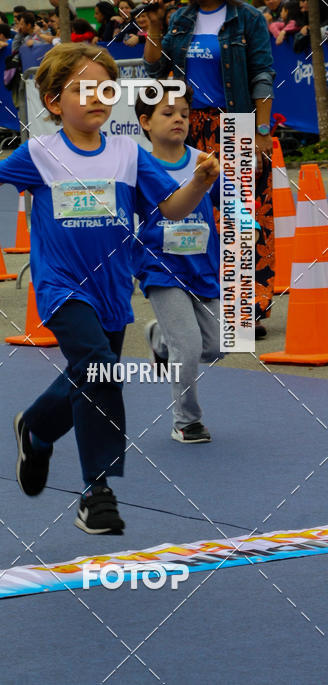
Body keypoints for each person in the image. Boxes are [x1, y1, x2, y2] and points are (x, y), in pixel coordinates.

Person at [0, 42, 219, 534]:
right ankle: (98, 493)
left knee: (90, 373)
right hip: (62, 288)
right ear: (53, 102)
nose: (96, 96)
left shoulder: (128, 154)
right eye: (81, 88)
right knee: (99, 371)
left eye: (104, 88)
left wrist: (198, 183)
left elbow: (172, 207)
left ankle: (36, 427)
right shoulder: (41, 154)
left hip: (113, 291)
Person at [142, 0, 275, 338]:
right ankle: (206, 300)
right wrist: (153, 24)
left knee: (241, 214)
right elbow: (155, 70)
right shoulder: (181, 21)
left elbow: (262, 76)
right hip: (190, 126)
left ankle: (247, 306)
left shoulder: (246, 18)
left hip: (234, 127)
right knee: (201, 217)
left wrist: (262, 132)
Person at [134, 83, 220, 443]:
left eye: (184, 113)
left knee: (215, 346)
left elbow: (229, 203)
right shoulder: (139, 166)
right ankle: (187, 421)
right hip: (161, 268)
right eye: (167, 113)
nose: (179, 120)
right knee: (187, 346)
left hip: (203, 267)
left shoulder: (204, 161)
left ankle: (159, 339)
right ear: (146, 122)